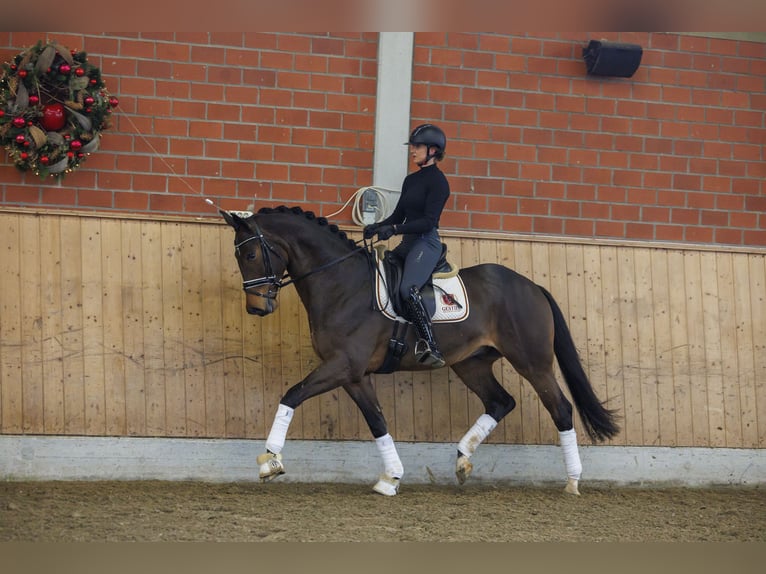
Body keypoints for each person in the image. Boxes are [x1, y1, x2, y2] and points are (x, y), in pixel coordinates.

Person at [364, 123, 450, 368]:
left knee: (407, 289)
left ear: (433, 150)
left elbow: (428, 222)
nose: (412, 150)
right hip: (409, 242)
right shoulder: (410, 180)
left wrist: (394, 230)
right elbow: (398, 216)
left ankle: (429, 345)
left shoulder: (439, 183)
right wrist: (378, 225)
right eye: (412, 146)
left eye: (417, 146)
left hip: (426, 243)